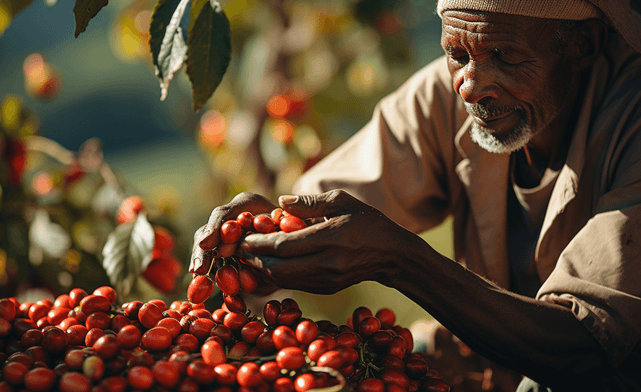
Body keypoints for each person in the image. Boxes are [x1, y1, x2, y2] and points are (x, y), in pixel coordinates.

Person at [189, 0, 641, 390]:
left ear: (583, 45)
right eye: (456, 54)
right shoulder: (444, 98)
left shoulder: (632, 125)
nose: (470, 84)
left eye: (505, 56)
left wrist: (402, 261)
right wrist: (261, 233)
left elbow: (585, 349)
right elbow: (326, 208)